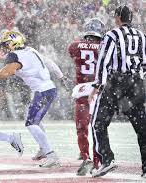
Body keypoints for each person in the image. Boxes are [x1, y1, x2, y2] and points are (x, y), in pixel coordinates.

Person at [0, 30, 67, 168]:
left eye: (6, 45)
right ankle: (43, 149)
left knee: (31, 123)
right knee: (32, 119)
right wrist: (60, 76)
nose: (4, 48)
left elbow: (4, 74)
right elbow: (48, 62)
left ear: (13, 43)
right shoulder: (31, 50)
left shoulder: (15, 55)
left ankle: (51, 154)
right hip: (47, 89)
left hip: (43, 91)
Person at [88, 5, 146, 178]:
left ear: (118, 17)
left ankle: (107, 159)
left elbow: (104, 61)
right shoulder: (141, 36)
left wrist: (98, 85)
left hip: (116, 82)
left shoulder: (112, 35)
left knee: (98, 123)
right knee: (142, 127)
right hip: (137, 83)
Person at [68, 18, 104, 176]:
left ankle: (86, 157)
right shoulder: (104, 45)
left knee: (82, 129)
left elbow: (74, 54)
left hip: (82, 90)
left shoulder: (75, 44)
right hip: (98, 90)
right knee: (98, 128)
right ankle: (98, 161)